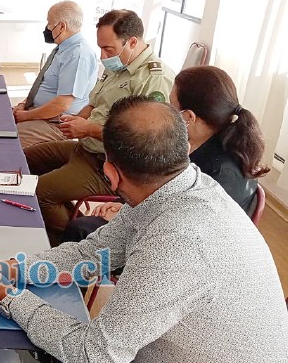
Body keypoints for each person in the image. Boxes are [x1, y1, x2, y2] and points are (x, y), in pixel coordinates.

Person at [0, 96, 288, 363]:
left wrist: (7, 298)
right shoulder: (175, 186)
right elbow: (93, 254)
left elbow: (92, 355)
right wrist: (12, 268)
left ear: (110, 174)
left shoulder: (178, 241)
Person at [63, 65, 270, 241]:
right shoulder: (205, 145)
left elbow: (180, 228)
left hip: (178, 251)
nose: (167, 112)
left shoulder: (219, 174)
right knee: (86, 229)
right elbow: (158, 192)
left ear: (188, 117)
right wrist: (123, 209)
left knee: (81, 231)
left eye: (172, 106)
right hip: (164, 225)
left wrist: (127, 218)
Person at [25, 9, 175, 243]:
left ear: (132, 42)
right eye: (101, 48)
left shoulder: (153, 78)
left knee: (39, 192)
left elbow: (140, 142)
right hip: (86, 148)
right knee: (25, 159)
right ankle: (52, 214)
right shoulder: (119, 66)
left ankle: (75, 245)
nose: (103, 56)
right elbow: (94, 103)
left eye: (108, 49)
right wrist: (78, 121)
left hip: (109, 167)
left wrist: (87, 129)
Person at [14, 1, 98, 148]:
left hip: (56, 122)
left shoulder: (77, 55)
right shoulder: (64, 48)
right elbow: (44, 84)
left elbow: (61, 105)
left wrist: (26, 116)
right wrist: (23, 104)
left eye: (49, 23)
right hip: (39, 112)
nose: (47, 27)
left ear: (62, 26)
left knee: (8, 141)